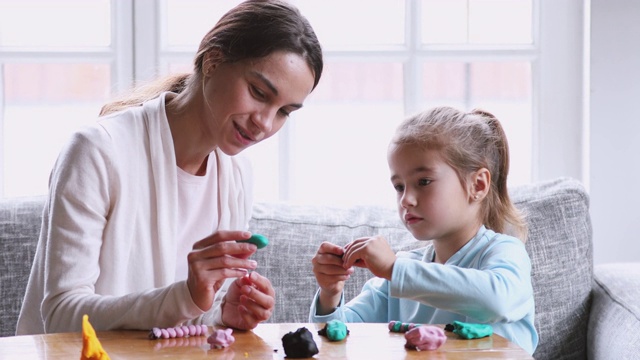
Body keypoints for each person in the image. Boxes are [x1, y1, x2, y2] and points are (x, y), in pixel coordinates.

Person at [16, 0, 323, 335]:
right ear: (213, 61)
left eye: (284, 112)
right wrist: (187, 297)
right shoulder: (97, 152)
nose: (265, 123)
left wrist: (222, 313)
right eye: (259, 92)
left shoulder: (236, 175)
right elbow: (61, 317)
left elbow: (180, 321)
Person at [309, 106, 539, 355]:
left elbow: (497, 300)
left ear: (478, 185)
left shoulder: (503, 251)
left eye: (423, 182)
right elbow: (339, 338)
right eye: (399, 186)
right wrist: (330, 295)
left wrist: (395, 270)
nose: (406, 199)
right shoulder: (399, 274)